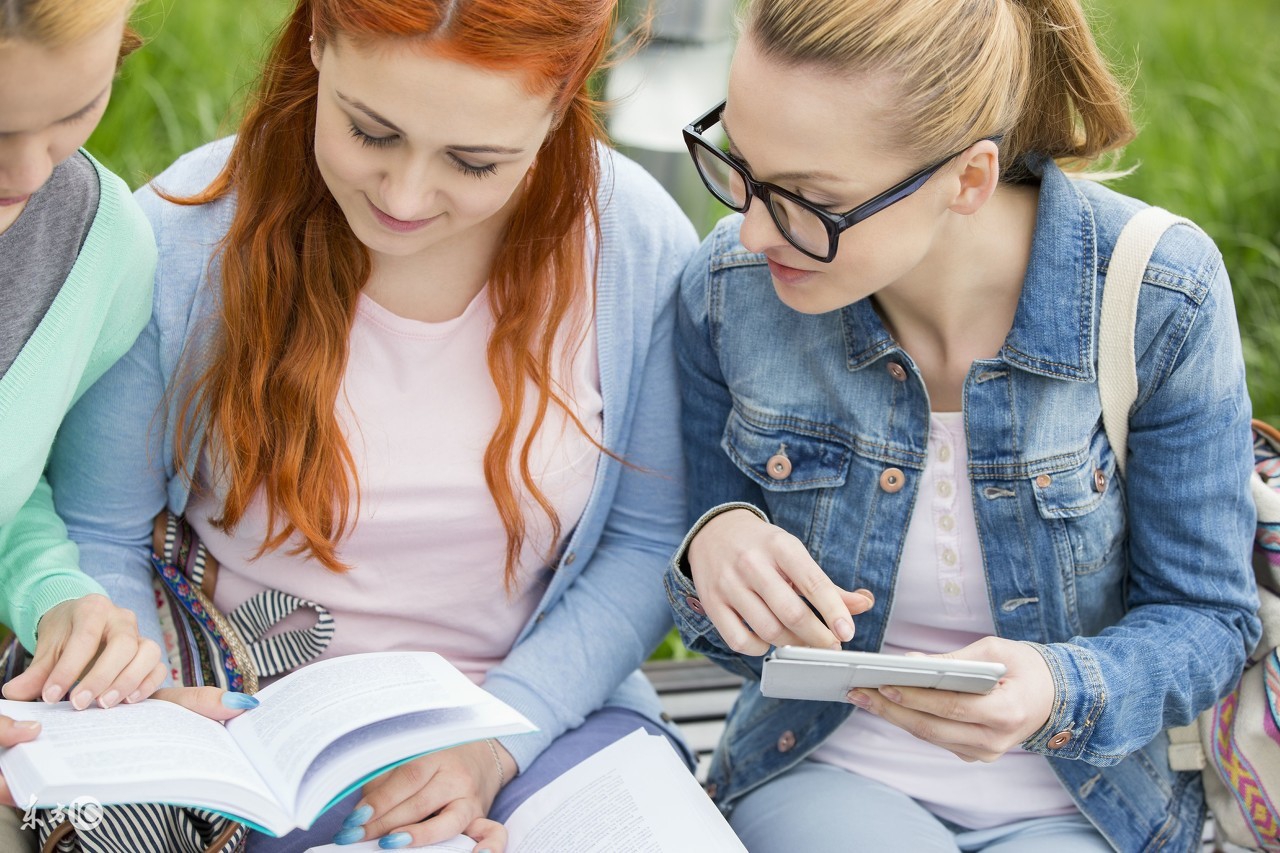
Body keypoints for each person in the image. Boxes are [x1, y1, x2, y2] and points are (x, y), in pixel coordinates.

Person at [50, 0, 698, 849]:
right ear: (318, 40)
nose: (404, 196)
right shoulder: (182, 236)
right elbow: (100, 528)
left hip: (543, 713)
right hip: (261, 733)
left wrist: (499, 741)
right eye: (371, 133)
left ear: (560, 104)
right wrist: (165, 709)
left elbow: (648, 539)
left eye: (474, 162)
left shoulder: (629, 241)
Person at [664, 0, 1260, 850]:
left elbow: (1208, 620)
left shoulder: (1158, 295)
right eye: (741, 166)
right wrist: (715, 545)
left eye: (809, 200)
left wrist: (1054, 691)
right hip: (827, 770)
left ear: (969, 179)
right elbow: (724, 635)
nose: (754, 230)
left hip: (1088, 798)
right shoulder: (729, 290)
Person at [0, 2, 231, 846]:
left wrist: (57, 594)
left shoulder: (99, 247)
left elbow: (12, 481)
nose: (30, 171)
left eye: (75, 111)